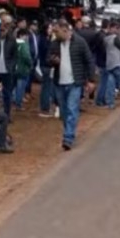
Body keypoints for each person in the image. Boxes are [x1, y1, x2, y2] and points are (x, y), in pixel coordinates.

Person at [48, 21, 96, 151]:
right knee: (64, 112)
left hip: (75, 82)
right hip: (59, 82)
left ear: (65, 30)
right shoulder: (55, 44)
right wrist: (53, 61)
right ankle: (69, 131)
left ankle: (68, 138)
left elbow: (88, 60)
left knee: (72, 109)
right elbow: (48, 60)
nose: (55, 34)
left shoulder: (80, 42)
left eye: (57, 31)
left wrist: (91, 80)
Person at [0, 17, 17, 117]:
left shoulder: (12, 41)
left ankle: (7, 115)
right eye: (1, 30)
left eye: (4, 30)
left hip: (7, 72)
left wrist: (11, 67)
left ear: (7, 30)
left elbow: (15, 56)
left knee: (7, 94)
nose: (2, 32)